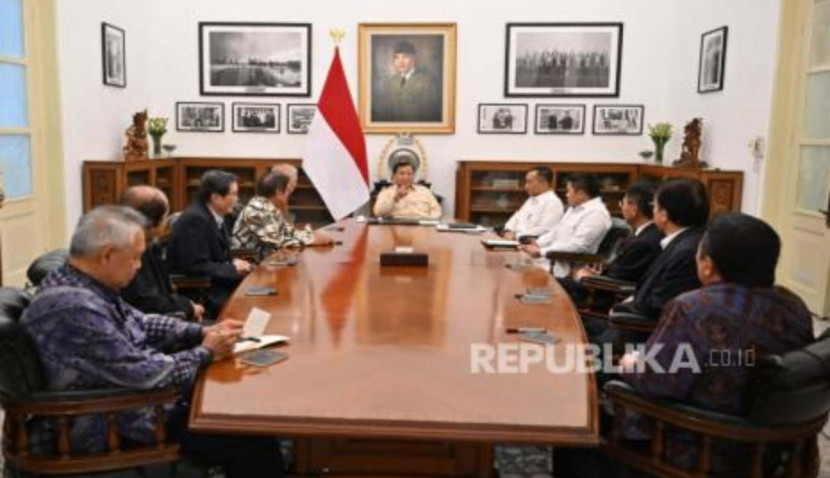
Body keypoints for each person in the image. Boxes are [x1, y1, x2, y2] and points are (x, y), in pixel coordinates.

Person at [21, 206, 284, 477]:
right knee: (251, 438)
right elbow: (144, 374)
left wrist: (200, 333)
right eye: (135, 258)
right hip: (113, 419)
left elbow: (142, 322)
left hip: (132, 400)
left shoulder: (84, 284)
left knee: (238, 406)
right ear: (108, 255)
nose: (138, 267)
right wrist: (205, 353)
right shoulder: (73, 306)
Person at [617, 213, 813, 475]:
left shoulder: (693, 307)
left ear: (707, 265)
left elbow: (655, 383)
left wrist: (631, 365)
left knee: (593, 404)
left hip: (702, 442)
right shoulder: (794, 306)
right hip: (772, 450)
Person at [612, 178, 709, 322]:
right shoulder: (681, 241)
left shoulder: (686, 252)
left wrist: (618, 310)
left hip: (638, 332)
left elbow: (659, 307)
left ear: (664, 215)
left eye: (654, 206)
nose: (652, 211)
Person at [560, 181, 663, 308]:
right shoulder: (644, 234)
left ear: (634, 209)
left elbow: (621, 275)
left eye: (623, 203)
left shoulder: (645, 242)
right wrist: (599, 272)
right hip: (602, 284)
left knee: (554, 286)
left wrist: (585, 277)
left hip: (604, 295)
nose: (621, 207)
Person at [167, 170, 252, 319]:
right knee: (253, 305)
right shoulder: (196, 220)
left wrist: (233, 263)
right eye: (234, 194)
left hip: (218, 282)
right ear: (216, 197)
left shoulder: (216, 215)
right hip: (204, 291)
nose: (237, 199)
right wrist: (232, 268)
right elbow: (195, 265)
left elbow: (215, 254)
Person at [120, 185, 205, 321]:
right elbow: (146, 302)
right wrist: (187, 307)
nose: (167, 222)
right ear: (151, 222)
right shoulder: (130, 251)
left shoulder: (151, 243)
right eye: (165, 216)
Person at [521, 173, 611, 277]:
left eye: (569, 191)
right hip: (551, 258)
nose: (566, 195)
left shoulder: (597, 214)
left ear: (581, 194)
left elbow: (578, 245)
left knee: (517, 273)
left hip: (564, 267)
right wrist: (537, 243)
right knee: (512, 265)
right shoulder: (575, 208)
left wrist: (541, 251)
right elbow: (556, 231)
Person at [232, 170, 332, 257]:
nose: (290, 195)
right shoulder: (257, 209)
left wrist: (312, 235)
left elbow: (289, 232)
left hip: (267, 260)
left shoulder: (269, 207)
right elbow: (277, 242)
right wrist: (312, 240)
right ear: (279, 192)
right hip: (250, 264)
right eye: (288, 190)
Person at [371, 40, 442, 122]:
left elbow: (430, 117)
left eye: (405, 57)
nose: (400, 62)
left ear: (414, 59)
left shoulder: (426, 82)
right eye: (397, 57)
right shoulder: (391, 82)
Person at [501, 167, 564, 241]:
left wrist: (516, 236)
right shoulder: (531, 199)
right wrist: (509, 231)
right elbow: (516, 218)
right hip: (516, 240)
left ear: (543, 183)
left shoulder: (553, 202)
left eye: (529, 182)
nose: (526, 186)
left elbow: (545, 229)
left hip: (531, 244)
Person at [373, 161, 442, 219]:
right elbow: (378, 212)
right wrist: (395, 198)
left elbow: (436, 210)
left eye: (409, 174)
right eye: (402, 173)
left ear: (413, 176)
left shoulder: (425, 191)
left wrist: (428, 222)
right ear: (394, 176)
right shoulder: (386, 193)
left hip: (421, 228)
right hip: (397, 229)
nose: (406, 177)